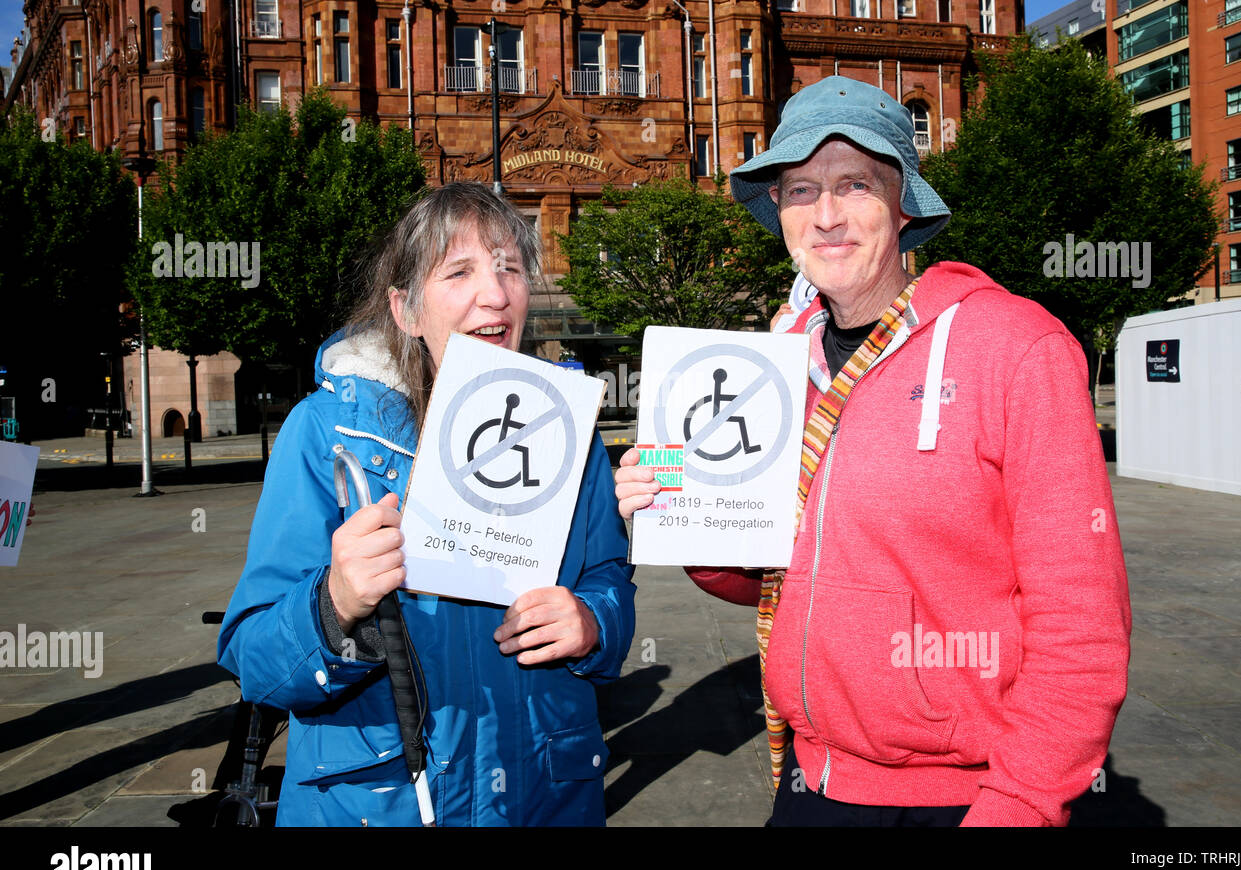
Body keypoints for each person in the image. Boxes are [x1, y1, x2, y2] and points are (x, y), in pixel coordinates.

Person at [615, 76, 1130, 826]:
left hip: (962, 797)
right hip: (810, 779)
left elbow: (1082, 625)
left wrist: (1018, 806)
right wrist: (690, 515)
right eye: (800, 189)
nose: (826, 216)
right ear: (781, 212)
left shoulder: (1017, 347)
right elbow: (775, 578)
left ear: (903, 204)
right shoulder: (773, 366)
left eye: (854, 184)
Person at [218, 182, 636, 826]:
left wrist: (592, 624)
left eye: (510, 268)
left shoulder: (567, 433)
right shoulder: (328, 435)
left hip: (542, 797)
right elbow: (256, 663)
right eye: (460, 271)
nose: (493, 294)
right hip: (379, 805)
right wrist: (333, 606)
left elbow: (609, 579)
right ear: (406, 309)